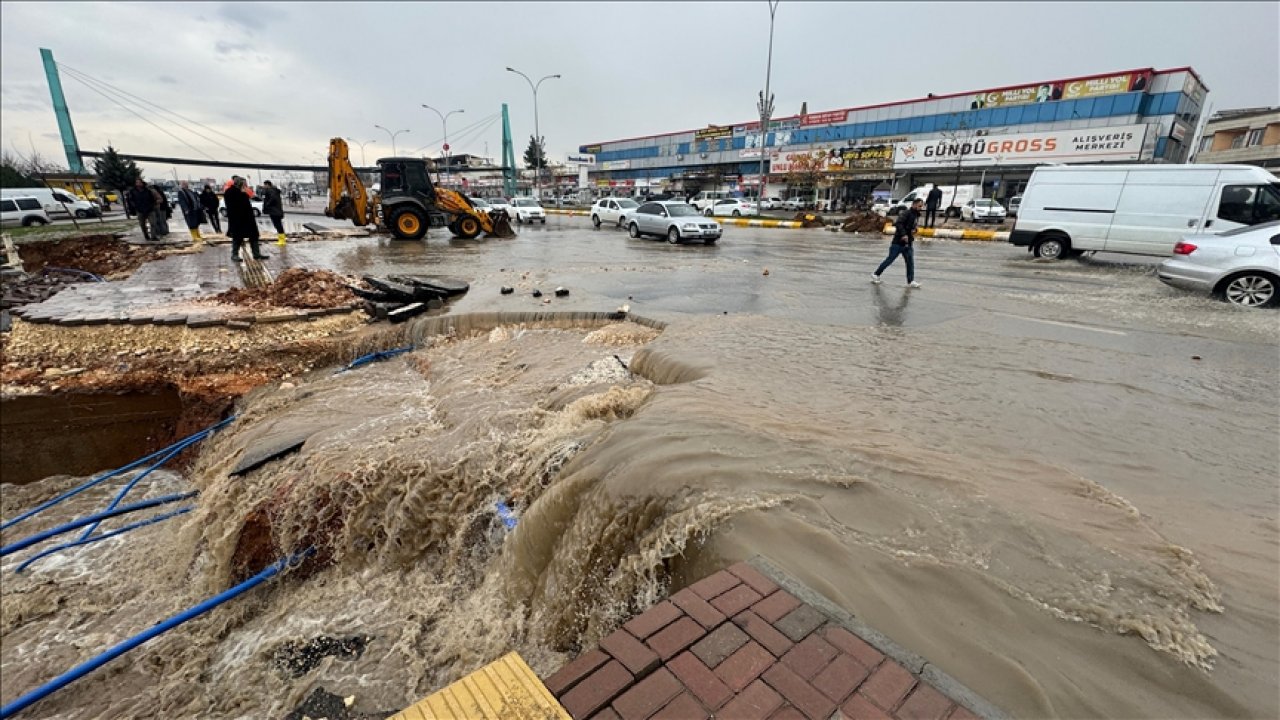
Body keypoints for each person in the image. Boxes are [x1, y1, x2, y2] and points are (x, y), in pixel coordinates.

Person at [872, 198, 923, 288]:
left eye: (921, 206)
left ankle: (910, 281)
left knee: (910, 262)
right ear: (914, 205)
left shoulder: (916, 215)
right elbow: (898, 223)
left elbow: (911, 226)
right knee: (890, 260)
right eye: (919, 206)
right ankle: (876, 274)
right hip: (898, 242)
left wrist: (914, 230)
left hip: (908, 243)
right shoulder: (906, 213)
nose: (920, 208)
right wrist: (903, 235)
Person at [225, 176, 267, 262]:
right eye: (244, 183)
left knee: (254, 236)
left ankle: (256, 254)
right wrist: (243, 193)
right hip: (237, 219)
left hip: (248, 219)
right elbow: (234, 206)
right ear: (240, 183)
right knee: (237, 237)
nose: (245, 185)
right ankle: (234, 254)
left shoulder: (242, 192)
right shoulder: (231, 192)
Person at [176, 181, 204, 245]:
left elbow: (196, 198)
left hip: (195, 209)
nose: (186, 185)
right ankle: (194, 237)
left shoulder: (190, 191)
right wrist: (186, 209)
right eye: (184, 184)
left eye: (186, 184)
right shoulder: (181, 192)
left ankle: (198, 235)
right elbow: (182, 201)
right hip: (189, 210)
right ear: (182, 185)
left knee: (196, 223)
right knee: (191, 223)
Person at [260, 180, 286, 246]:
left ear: (268, 185)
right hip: (276, 211)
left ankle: (282, 240)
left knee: (278, 225)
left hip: (274, 211)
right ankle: (281, 240)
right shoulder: (274, 190)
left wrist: (267, 204)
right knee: (278, 225)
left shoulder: (270, 190)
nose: (264, 186)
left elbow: (273, 198)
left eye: (264, 185)